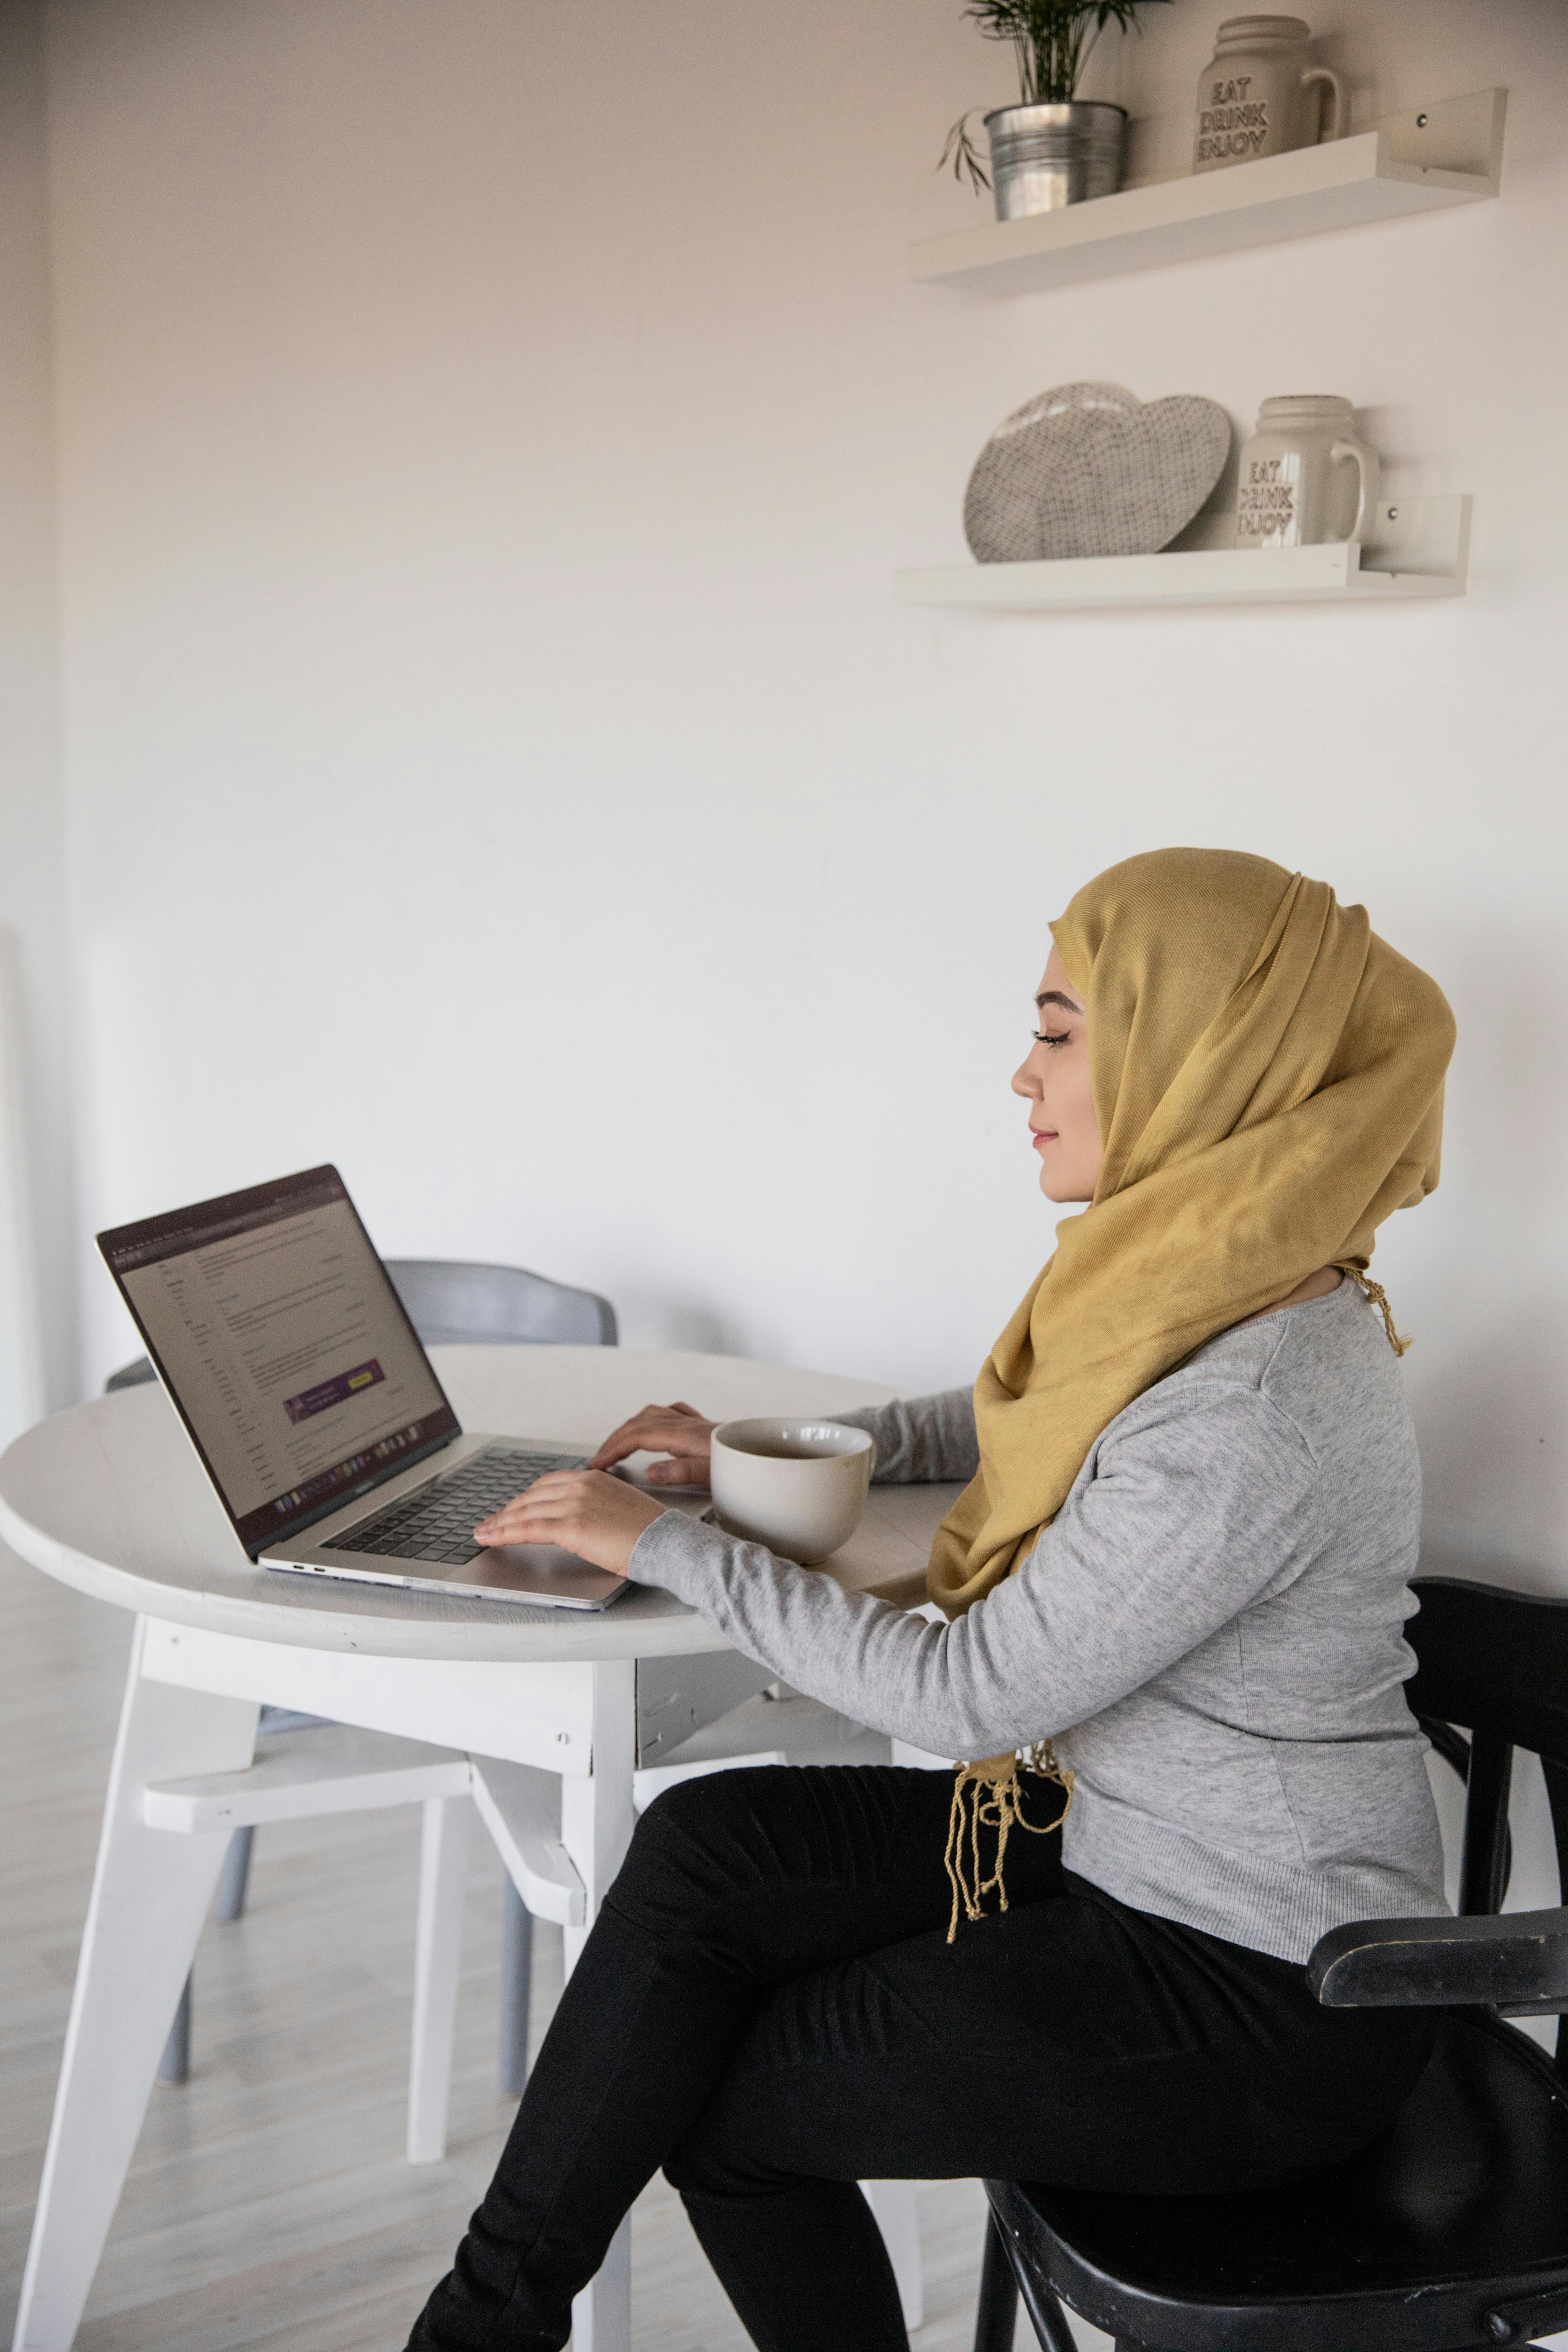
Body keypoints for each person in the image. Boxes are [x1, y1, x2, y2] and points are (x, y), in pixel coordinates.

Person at [405, 847, 1457, 2352]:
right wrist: (771, 1455)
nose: (1020, 1076)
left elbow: (961, 1696)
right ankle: (481, 2325)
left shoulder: (1254, 1412)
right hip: (1127, 1851)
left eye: (1056, 1029)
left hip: (1261, 1997)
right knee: (710, 1845)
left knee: (735, 2107)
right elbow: (1033, 1409)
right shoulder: (1220, 1277)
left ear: (1193, 1058)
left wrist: (663, 1541)